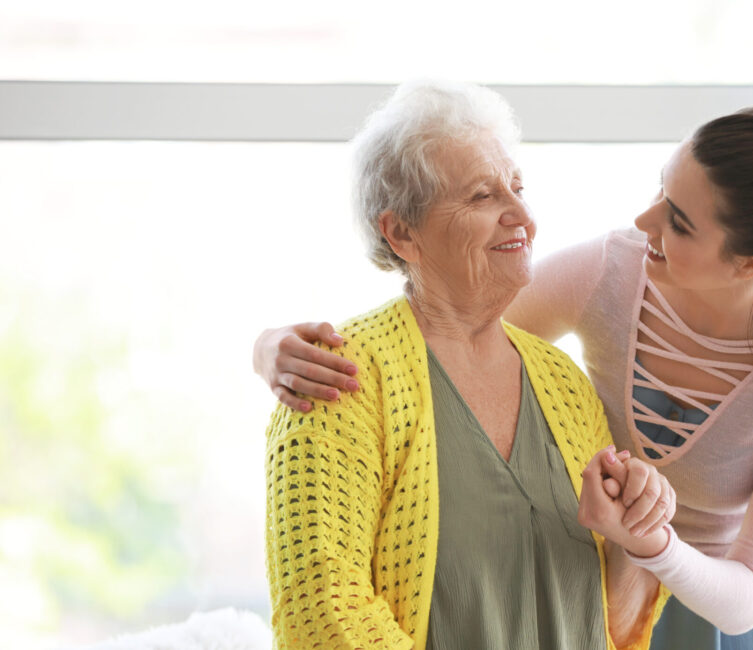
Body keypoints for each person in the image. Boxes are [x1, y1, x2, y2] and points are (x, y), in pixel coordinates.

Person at [256, 103, 753, 649]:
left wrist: (651, 544)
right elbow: (447, 316)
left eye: (679, 221)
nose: (644, 221)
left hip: (707, 610)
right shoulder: (616, 271)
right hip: (601, 581)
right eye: (661, 191)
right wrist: (271, 347)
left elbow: (747, 597)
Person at [262, 80, 676, 650]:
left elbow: (611, 625)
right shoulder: (337, 380)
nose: (523, 215)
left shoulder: (563, 383)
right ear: (402, 233)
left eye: (518, 187)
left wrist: (637, 541)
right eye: (483, 196)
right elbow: (324, 621)